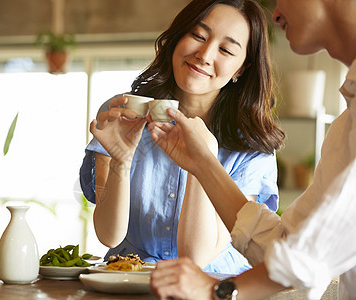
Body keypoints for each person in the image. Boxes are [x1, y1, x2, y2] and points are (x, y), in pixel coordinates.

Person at [148, 0, 356, 299]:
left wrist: (217, 289)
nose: (276, 13)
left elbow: (311, 256)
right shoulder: (346, 121)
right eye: (198, 35)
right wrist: (204, 164)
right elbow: (287, 245)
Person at [80, 0, 285, 275]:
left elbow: (196, 257)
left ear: (241, 69)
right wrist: (121, 160)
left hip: (211, 287)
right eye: (198, 36)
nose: (204, 54)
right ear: (177, 38)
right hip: (127, 284)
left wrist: (202, 156)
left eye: (225, 49)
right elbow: (108, 235)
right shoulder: (122, 114)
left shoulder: (253, 149)